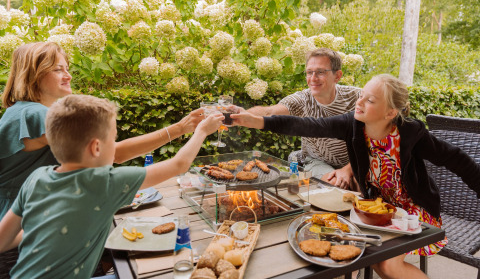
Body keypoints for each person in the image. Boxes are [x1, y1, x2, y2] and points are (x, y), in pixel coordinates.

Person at [232, 74, 480, 278]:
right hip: (375, 208)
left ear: (390, 113)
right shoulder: (352, 124)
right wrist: (258, 121)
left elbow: (457, 159)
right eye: (361, 96)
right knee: (359, 252)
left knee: (387, 265)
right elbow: (306, 125)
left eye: (370, 100)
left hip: (414, 210)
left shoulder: (410, 134)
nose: (359, 103)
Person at [0, 94, 223, 278]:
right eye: (113, 139)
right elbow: (179, 164)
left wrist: (50, 230)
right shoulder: (104, 182)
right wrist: (202, 131)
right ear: (96, 147)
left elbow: (3, 241)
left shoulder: (36, 177)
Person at [0, 42, 204, 221]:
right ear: (34, 74)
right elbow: (113, 154)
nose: (68, 75)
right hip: (27, 219)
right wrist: (180, 128)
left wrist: (181, 128)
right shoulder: (34, 114)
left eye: (67, 68)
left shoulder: (21, 110)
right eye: (57, 69)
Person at [247, 48, 360, 189]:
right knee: (336, 183)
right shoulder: (302, 99)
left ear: (337, 76)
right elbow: (270, 112)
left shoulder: (357, 98)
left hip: (353, 161)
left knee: (360, 184)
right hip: (316, 161)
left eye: (320, 72)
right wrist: (241, 115)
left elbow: (374, 142)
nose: (313, 78)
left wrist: (348, 169)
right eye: (309, 72)